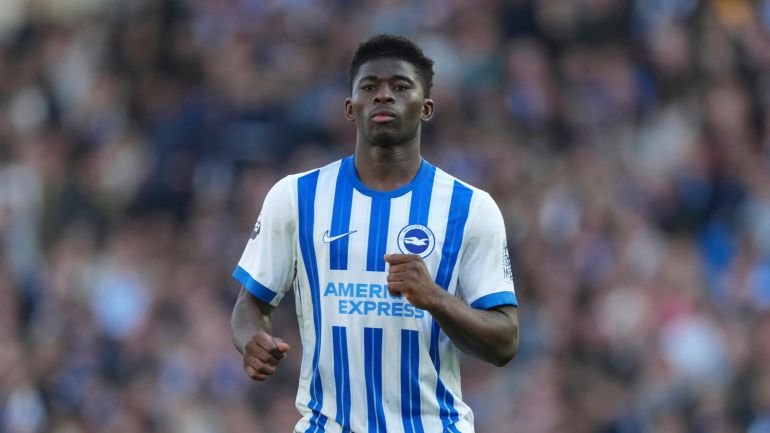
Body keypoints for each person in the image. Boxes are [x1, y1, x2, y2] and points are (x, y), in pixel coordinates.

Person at [231, 34, 519, 433]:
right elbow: (249, 304)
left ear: (427, 108)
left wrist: (435, 298)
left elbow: (505, 342)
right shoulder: (296, 197)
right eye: (369, 87)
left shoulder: (471, 208)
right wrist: (251, 340)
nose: (384, 96)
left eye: (400, 86)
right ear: (350, 108)